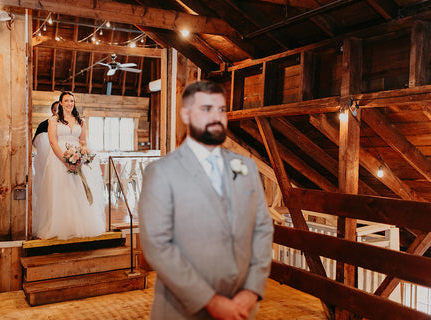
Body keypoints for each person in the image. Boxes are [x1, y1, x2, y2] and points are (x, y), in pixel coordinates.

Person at [139, 81, 274, 320]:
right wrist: (209, 300)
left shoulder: (246, 167)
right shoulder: (162, 172)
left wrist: (252, 289)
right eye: (207, 109)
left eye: (221, 110)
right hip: (184, 309)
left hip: (243, 308)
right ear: (185, 114)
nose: (217, 117)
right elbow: (157, 245)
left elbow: (262, 228)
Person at [34, 91, 106, 240]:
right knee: (62, 192)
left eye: (71, 101)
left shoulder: (81, 121)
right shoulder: (53, 121)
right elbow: (53, 142)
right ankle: (61, 226)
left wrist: (83, 152)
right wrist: (65, 161)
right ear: (60, 103)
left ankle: (79, 225)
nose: (69, 104)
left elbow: (83, 141)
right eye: (66, 101)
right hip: (58, 159)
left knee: (78, 191)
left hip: (78, 159)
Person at [32, 101, 58, 232]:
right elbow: (35, 142)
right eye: (55, 110)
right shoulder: (44, 125)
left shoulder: (67, 125)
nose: (57, 112)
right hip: (46, 162)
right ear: (52, 111)